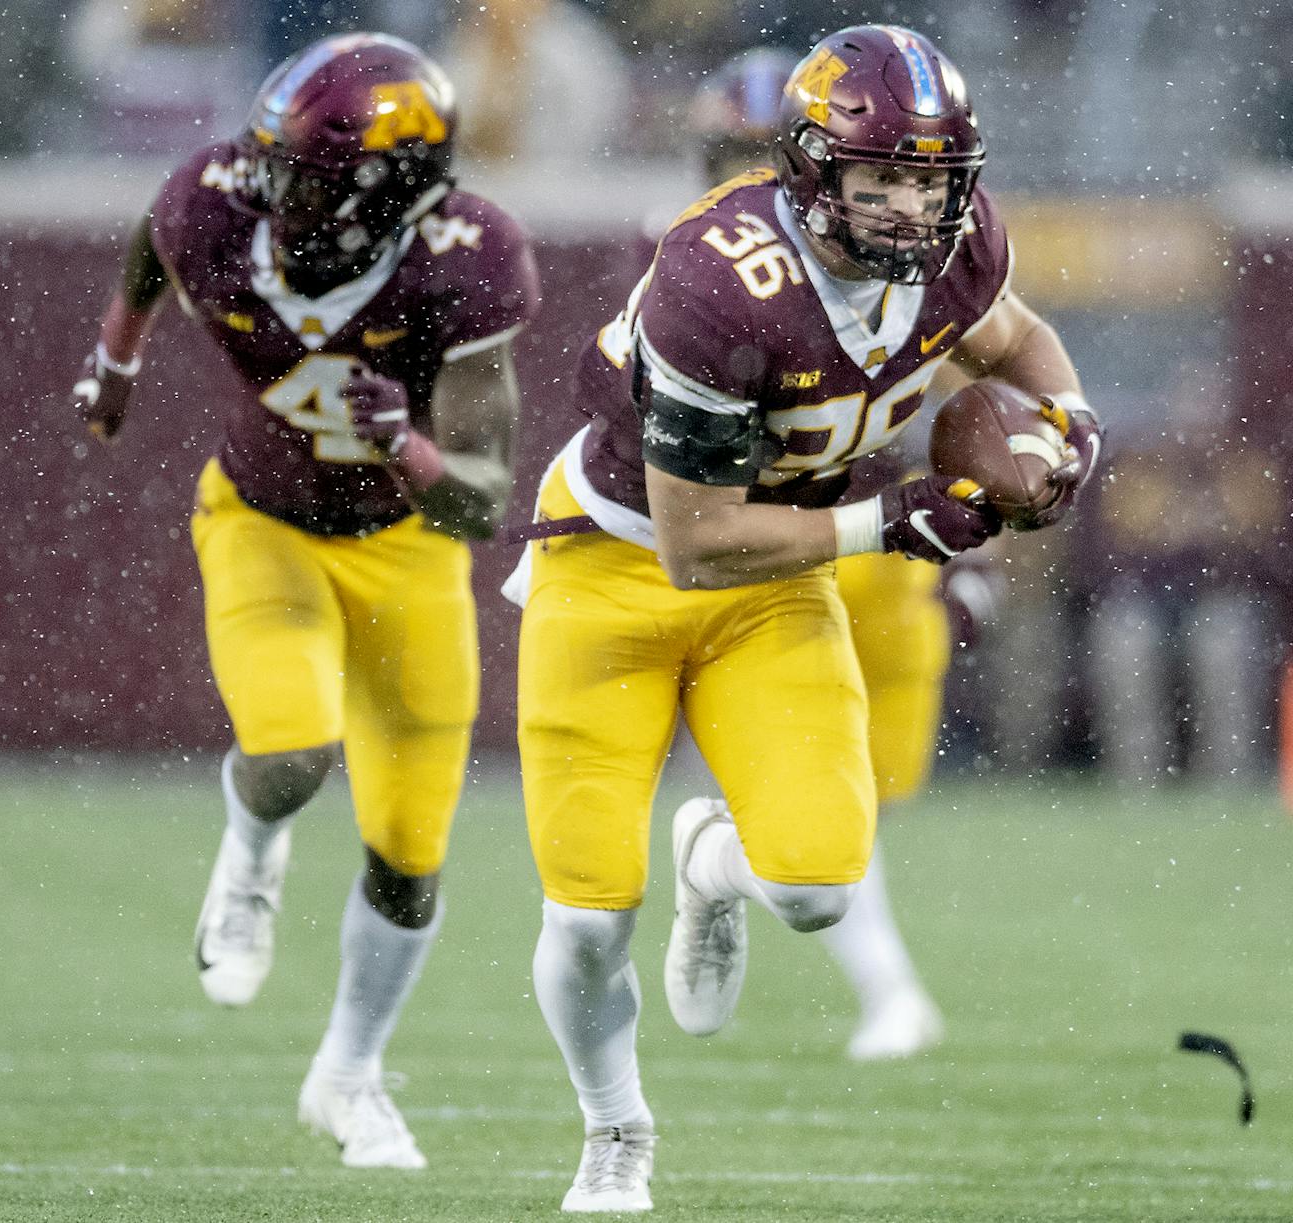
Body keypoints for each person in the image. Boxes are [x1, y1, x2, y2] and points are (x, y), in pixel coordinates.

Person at [508, 25, 1099, 1212]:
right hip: (616, 569)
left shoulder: (956, 246)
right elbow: (695, 541)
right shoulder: (717, 278)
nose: (906, 208)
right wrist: (901, 524)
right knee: (582, 917)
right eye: (878, 175)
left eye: (929, 180)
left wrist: (1068, 417)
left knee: (819, 882)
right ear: (809, 167)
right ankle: (615, 1127)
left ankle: (709, 866)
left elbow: (1011, 337)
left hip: (775, 585)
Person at [70, 33, 540, 1169]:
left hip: (411, 549)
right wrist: (116, 362)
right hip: (262, 520)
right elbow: (152, 242)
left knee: (408, 848)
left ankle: (349, 1074)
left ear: (391, 192)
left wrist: (413, 452)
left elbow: (480, 501)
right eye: (274, 163)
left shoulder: (464, 263)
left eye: (312, 176)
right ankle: (250, 860)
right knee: (289, 751)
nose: (277, 190)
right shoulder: (217, 203)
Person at [688, 43, 1005, 1061]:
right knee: (824, 804)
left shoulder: (905, 246)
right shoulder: (695, 264)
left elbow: (970, 364)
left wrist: (974, 541)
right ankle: (889, 990)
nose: (737, 171)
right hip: (777, 547)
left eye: (750, 149)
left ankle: (828, 936)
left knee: (867, 797)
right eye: (725, 150)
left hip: (887, 545)